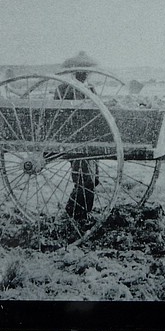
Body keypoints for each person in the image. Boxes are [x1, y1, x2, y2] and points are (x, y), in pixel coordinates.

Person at [56, 51, 99, 221]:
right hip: (74, 140)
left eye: (86, 71)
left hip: (89, 138)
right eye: (82, 71)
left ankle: (77, 212)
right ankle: (75, 215)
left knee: (93, 180)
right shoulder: (63, 88)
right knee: (85, 180)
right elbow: (58, 116)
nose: (85, 74)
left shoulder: (90, 88)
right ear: (75, 71)